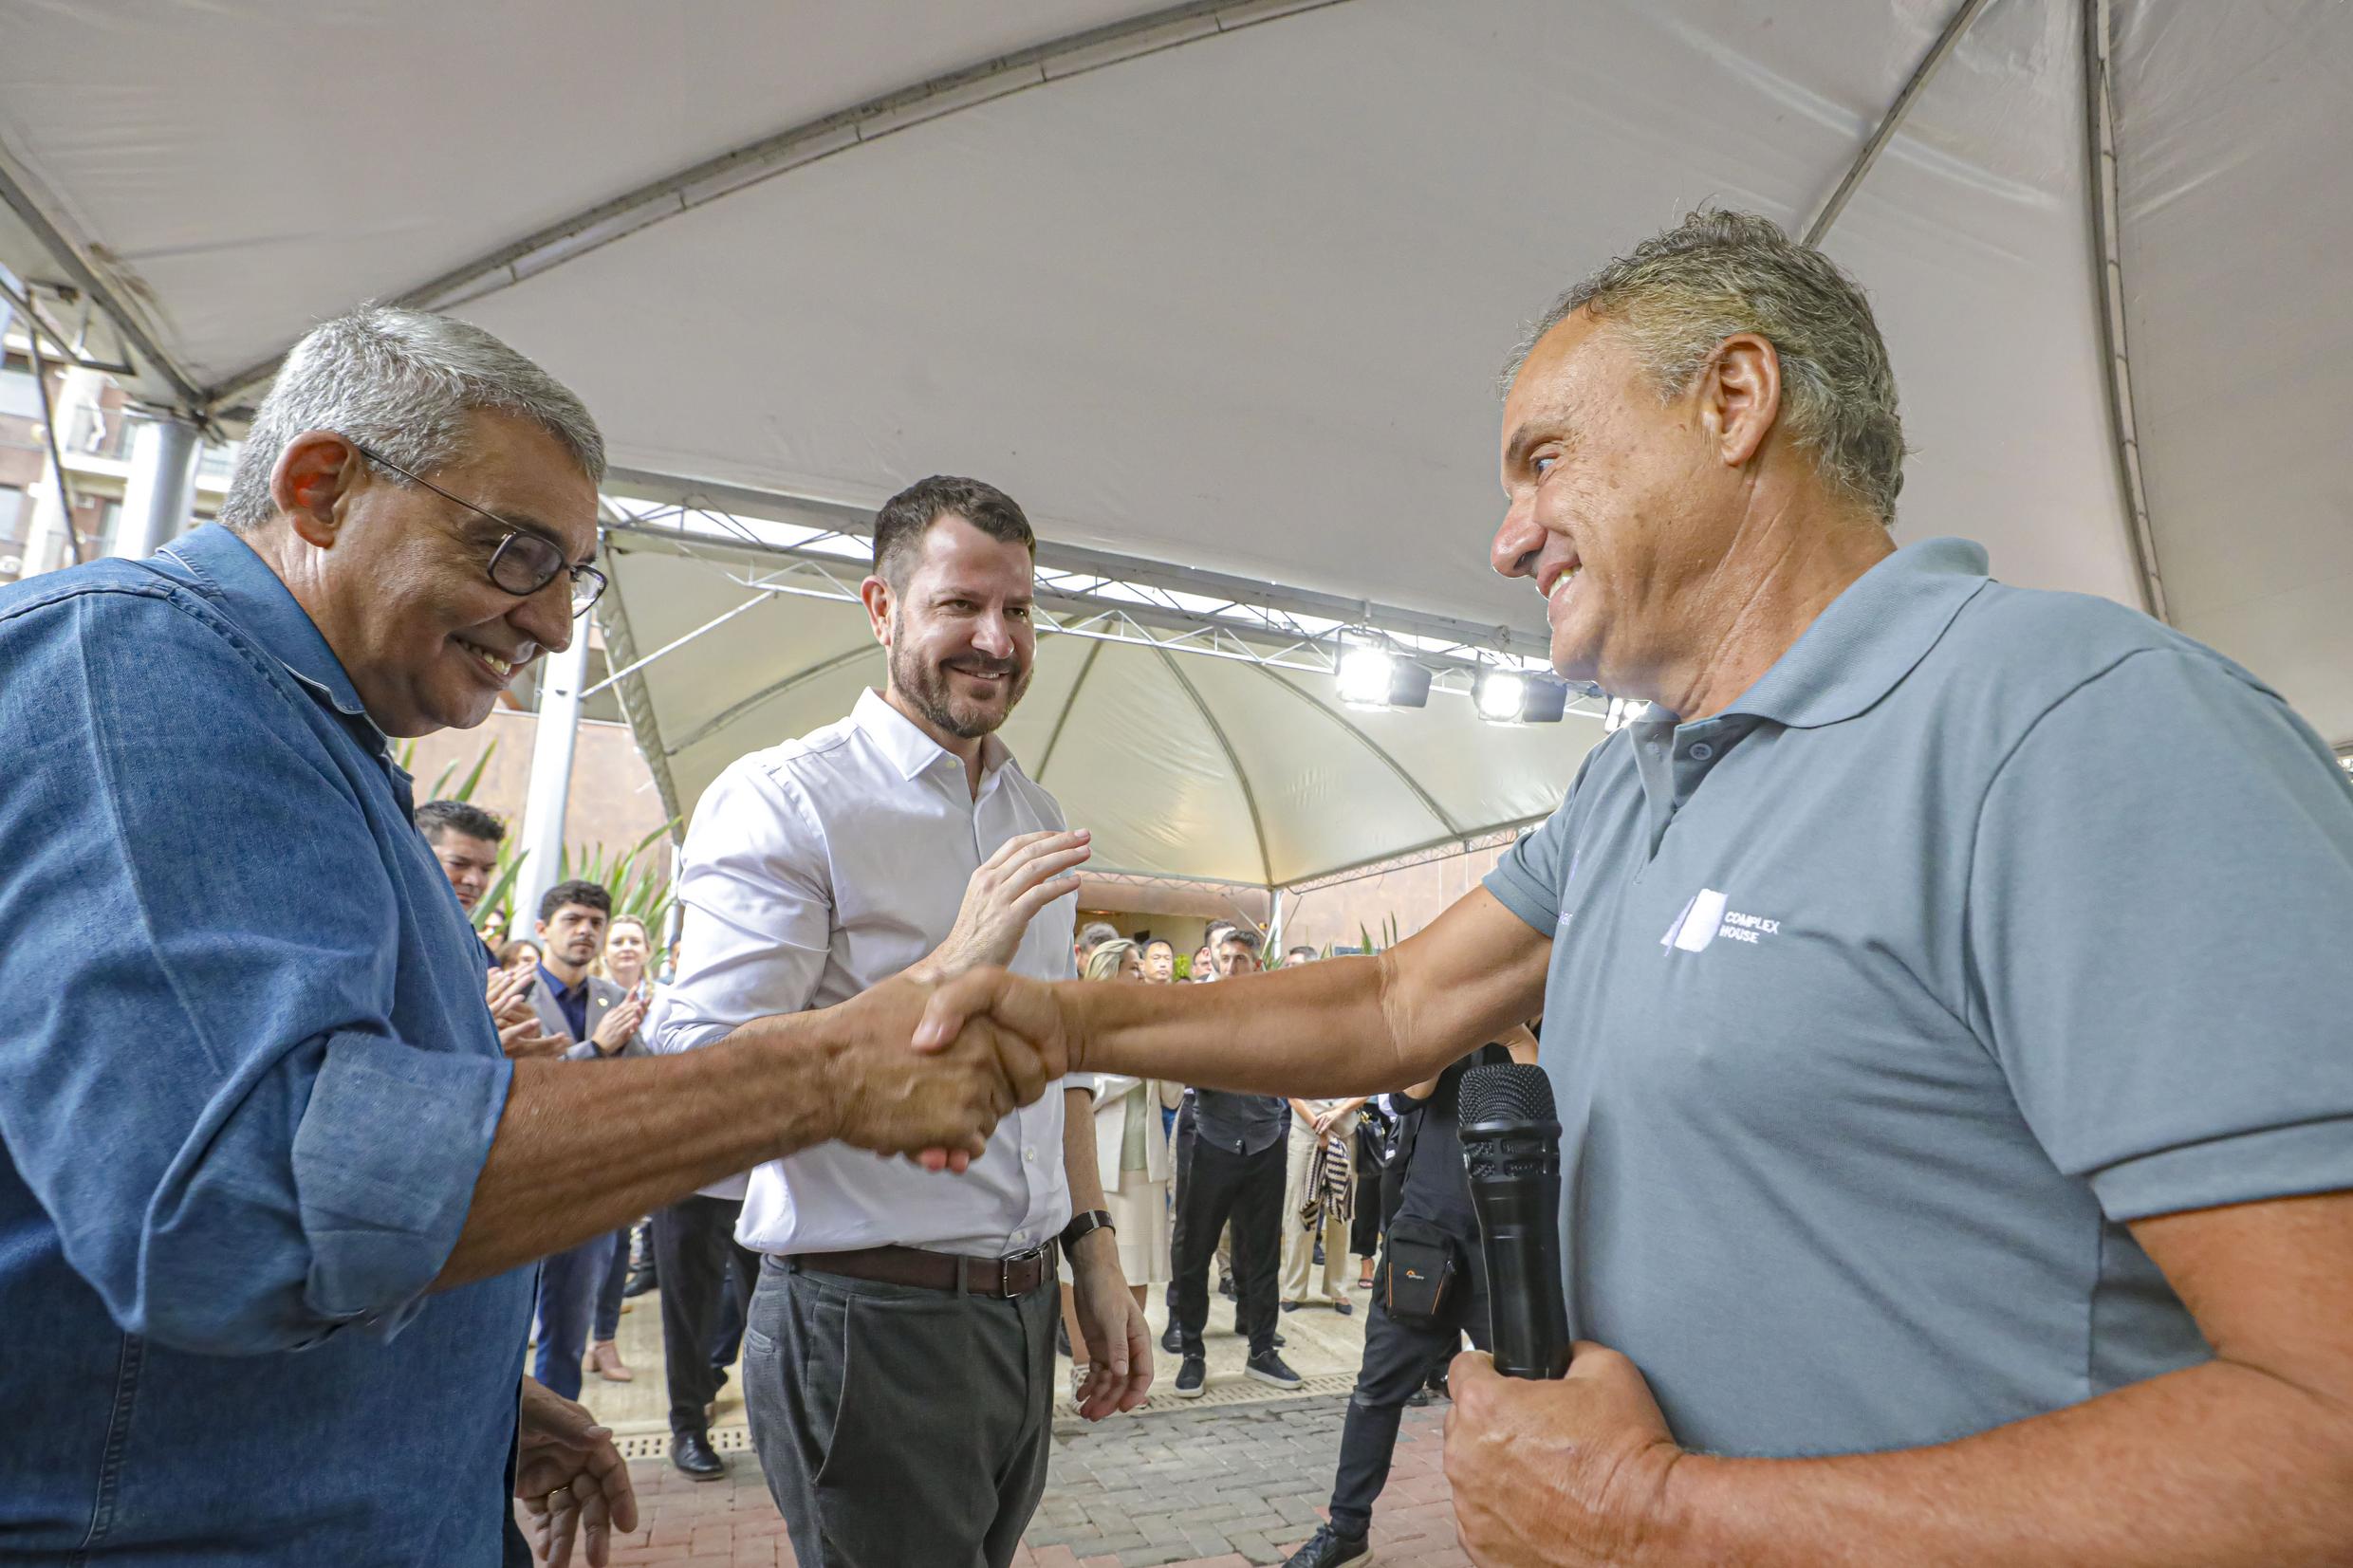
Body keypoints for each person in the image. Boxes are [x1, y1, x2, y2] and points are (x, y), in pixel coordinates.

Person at [918, 209, 2353, 1566]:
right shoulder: (1630, 787)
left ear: (1735, 400)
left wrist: (1659, 1518)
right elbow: (1394, 999)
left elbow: (2325, 1431)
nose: (1506, 535)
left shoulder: (2079, 726)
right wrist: (1054, 1025)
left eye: (1544, 459)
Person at [0, 305, 1058, 1567]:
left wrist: (467, 1403)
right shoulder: (139, 670)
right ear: (322, 487)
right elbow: (247, 1194)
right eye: (514, 553)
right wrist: (828, 1070)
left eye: (573, 575)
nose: (554, 623)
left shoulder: (304, 730)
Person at [656, 474, 1150, 1568]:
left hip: (1020, 1314)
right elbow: (694, 1076)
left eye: (1018, 610)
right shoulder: (787, 798)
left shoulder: (1035, 813)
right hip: (866, 1319)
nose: (997, 638)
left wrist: (1091, 1249)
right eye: (959, 605)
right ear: (881, 610)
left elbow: (1053, 1061)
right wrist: (954, 958)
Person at [1285, 1029, 1536, 1568]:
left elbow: (1558, 1094)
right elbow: (1405, 1094)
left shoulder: (1551, 1011)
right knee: (1376, 1389)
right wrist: (1458, 1027)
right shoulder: (1450, 1017)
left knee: (1531, 1400)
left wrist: (1516, 1035)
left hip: (1511, 1239)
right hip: (1427, 1231)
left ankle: (1531, 1534)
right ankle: (1347, 1529)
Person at [1166, 927, 1301, 1399]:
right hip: (1211, 1139)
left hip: (1266, 1140)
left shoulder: (1279, 1011)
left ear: (1257, 964)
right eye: (1225, 957)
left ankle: (1262, 1350)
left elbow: (1294, 1061)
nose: (1231, 966)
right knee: (1194, 1251)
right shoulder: (1200, 1010)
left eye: (1241, 958)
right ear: (1213, 960)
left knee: (1263, 1252)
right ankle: (1192, 1355)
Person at [1054, 939, 1172, 1409]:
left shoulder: (1151, 1025)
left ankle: (1122, 1365)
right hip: (1097, 1163)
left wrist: (1171, 1056)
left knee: (1138, 1263)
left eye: (1140, 968)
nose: (1139, 975)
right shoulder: (1084, 1023)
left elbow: (1172, 1101)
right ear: (1105, 971)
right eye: (1129, 967)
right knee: (1082, 1265)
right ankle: (1084, 1363)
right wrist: (1133, 1063)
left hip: (1145, 1163)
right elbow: (1084, 1090)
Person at [584, 914, 660, 1386]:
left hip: (630, 1141)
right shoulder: (590, 998)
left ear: (647, 950)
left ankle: (604, 1341)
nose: (627, 948)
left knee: (616, 1247)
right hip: (585, 1136)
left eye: (635, 940)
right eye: (618, 941)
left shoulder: (665, 1000)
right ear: (605, 951)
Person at [416, 797, 508, 968]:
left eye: (486, 870)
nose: (474, 881)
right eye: (458, 864)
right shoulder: (382, 934)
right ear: (415, 855)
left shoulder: (477, 953)